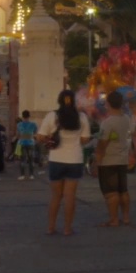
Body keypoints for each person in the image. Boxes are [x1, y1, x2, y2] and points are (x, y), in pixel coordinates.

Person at [38, 90, 91, 236]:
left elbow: (40, 137)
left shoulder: (52, 116)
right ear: (73, 100)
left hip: (56, 160)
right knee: (70, 196)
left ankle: (51, 227)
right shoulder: (82, 117)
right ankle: (67, 228)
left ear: (59, 100)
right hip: (74, 160)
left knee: (56, 196)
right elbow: (85, 139)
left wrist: (50, 137)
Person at [96, 90, 134, 227]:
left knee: (111, 192)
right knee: (123, 190)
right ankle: (126, 217)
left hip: (109, 160)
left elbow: (102, 143)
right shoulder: (126, 119)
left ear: (108, 104)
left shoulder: (108, 122)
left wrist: (97, 160)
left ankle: (114, 219)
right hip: (122, 159)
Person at [17, 110, 39, 180]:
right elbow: (35, 133)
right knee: (31, 159)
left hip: (22, 142)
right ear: (29, 116)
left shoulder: (19, 124)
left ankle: (22, 175)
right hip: (31, 142)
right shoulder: (33, 124)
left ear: (22, 116)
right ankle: (31, 175)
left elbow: (18, 134)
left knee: (22, 160)